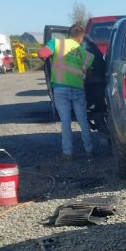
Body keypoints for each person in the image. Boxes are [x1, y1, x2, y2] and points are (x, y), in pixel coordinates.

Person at [38, 24, 95, 160]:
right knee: (83, 121)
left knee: (65, 122)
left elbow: (42, 54)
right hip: (78, 90)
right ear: (81, 38)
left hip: (60, 89)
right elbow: (90, 73)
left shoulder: (57, 43)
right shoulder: (86, 54)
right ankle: (89, 150)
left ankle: (67, 153)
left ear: (68, 34)